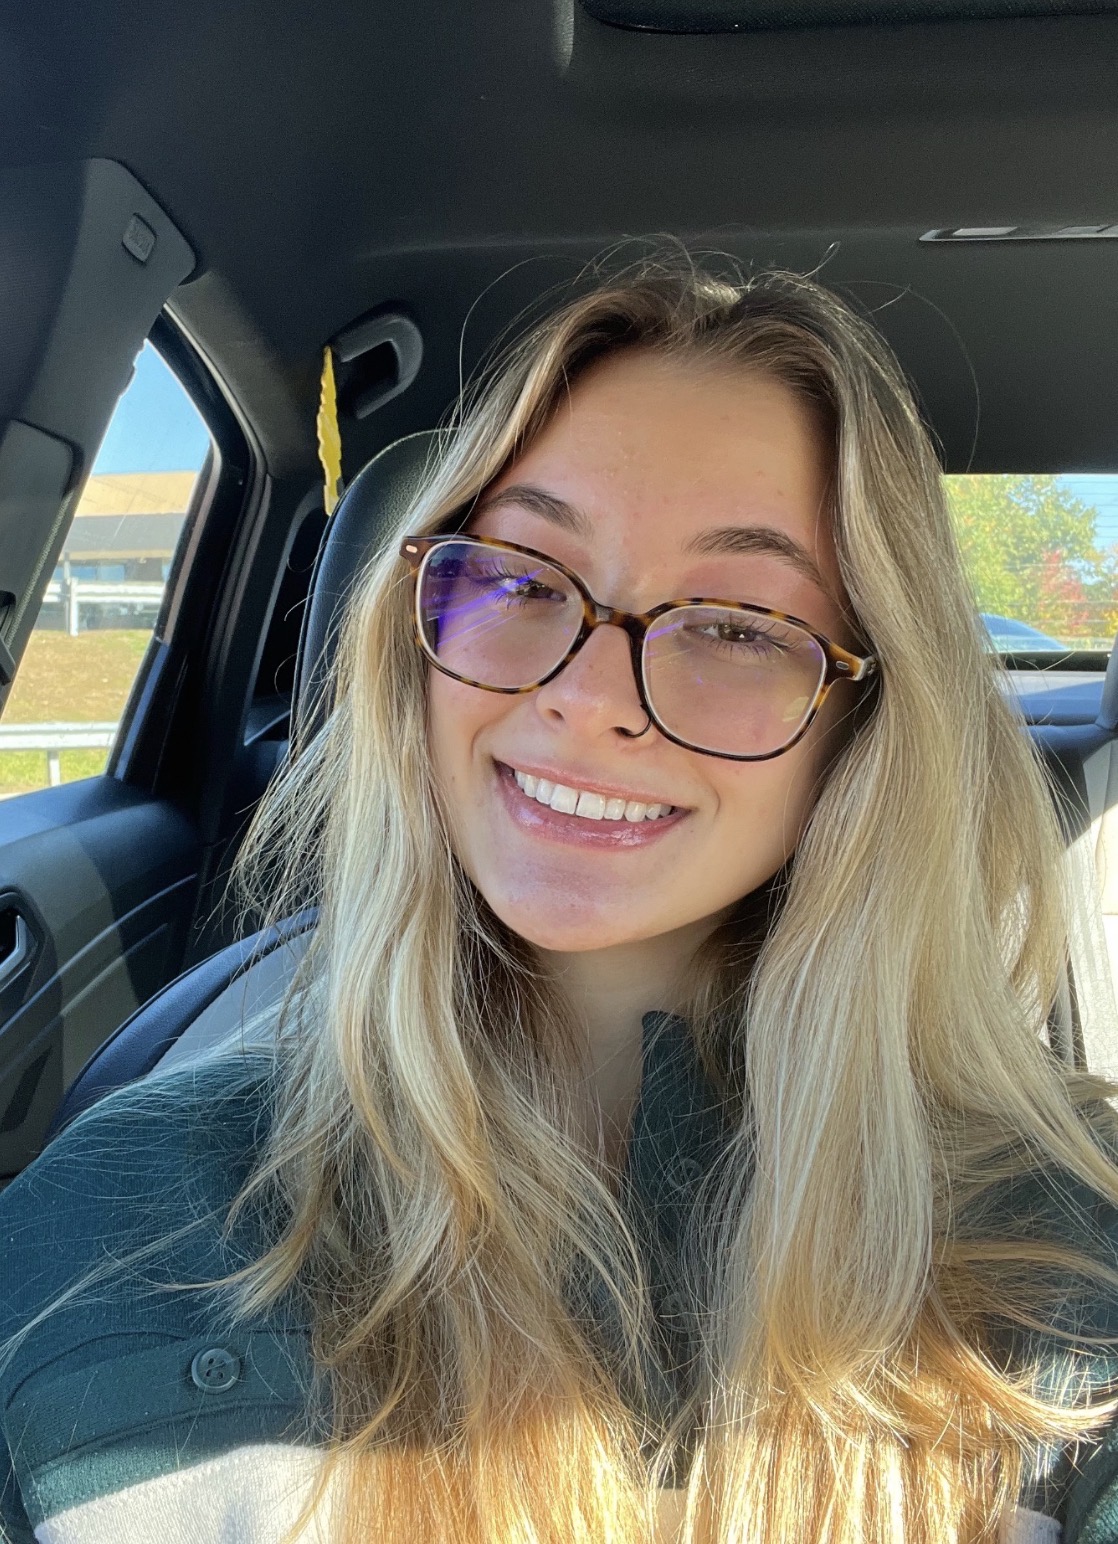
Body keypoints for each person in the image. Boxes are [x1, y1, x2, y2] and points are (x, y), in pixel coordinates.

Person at [4, 257, 1118, 1544]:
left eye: (736, 625)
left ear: (860, 719)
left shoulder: (1063, 1259)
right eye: (526, 579)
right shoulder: (120, 1219)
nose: (584, 697)